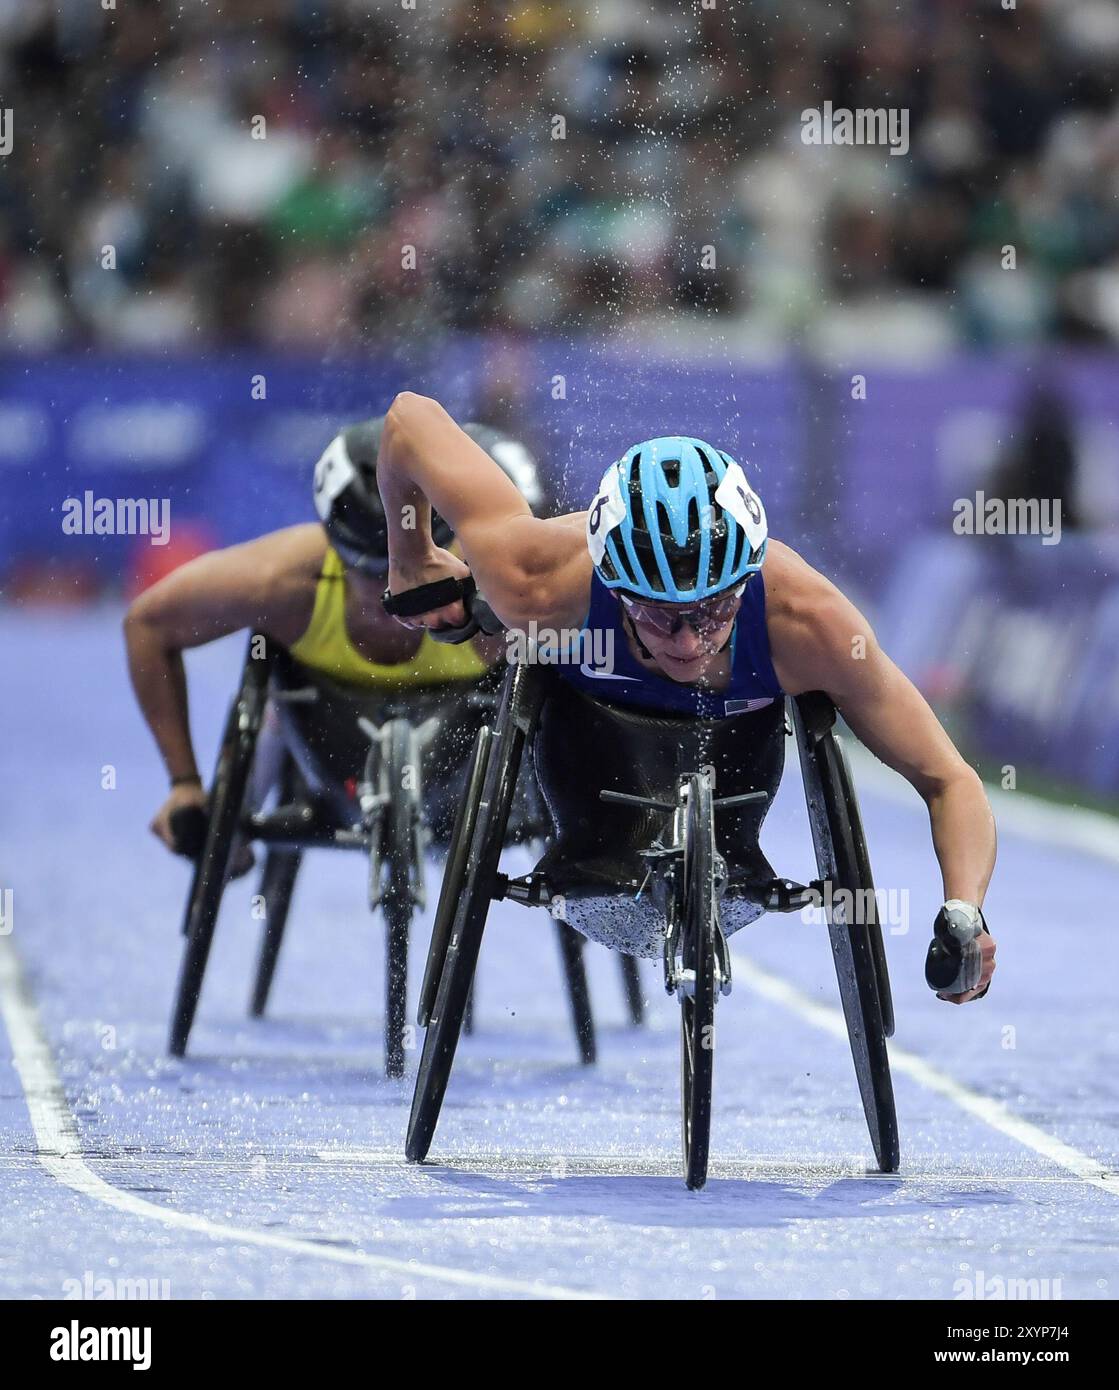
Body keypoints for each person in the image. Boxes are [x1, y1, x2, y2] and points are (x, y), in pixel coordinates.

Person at [376, 392, 997, 1004]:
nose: (687, 640)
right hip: (584, 792)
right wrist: (411, 558)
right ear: (613, 587)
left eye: (713, 609)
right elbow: (408, 417)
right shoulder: (533, 580)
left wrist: (965, 910)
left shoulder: (813, 627)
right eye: (655, 614)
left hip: (735, 808)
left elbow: (947, 778)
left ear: (746, 580)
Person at [125, 416, 544, 856]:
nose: (391, 594)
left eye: (414, 573)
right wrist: (184, 785)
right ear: (338, 554)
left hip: (465, 745)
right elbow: (146, 625)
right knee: (275, 690)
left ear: (448, 547)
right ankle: (242, 803)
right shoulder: (281, 583)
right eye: (372, 574)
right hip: (327, 737)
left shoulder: (500, 591)